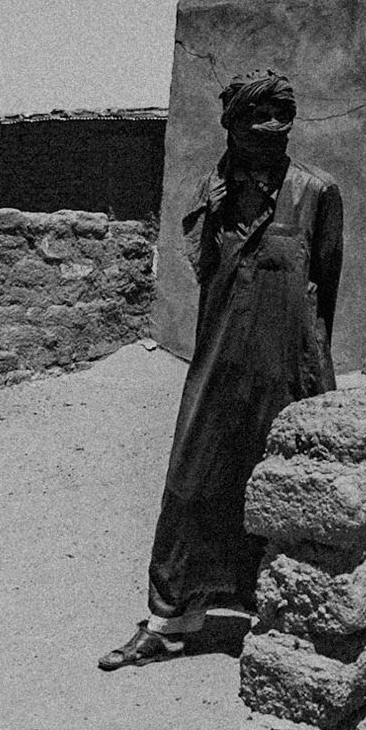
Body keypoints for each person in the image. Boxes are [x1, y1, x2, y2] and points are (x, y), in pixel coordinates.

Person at [99, 68, 342, 670]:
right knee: (191, 484)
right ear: (231, 126)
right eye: (255, 120)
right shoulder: (212, 193)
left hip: (288, 374)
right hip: (217, 370)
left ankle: (291, 619)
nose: (269, 131)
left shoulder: (316, 193)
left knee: (291, 491)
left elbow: (325, 292)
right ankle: (170, 622)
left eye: (279, 119)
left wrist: (314, 377)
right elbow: (205, 272)